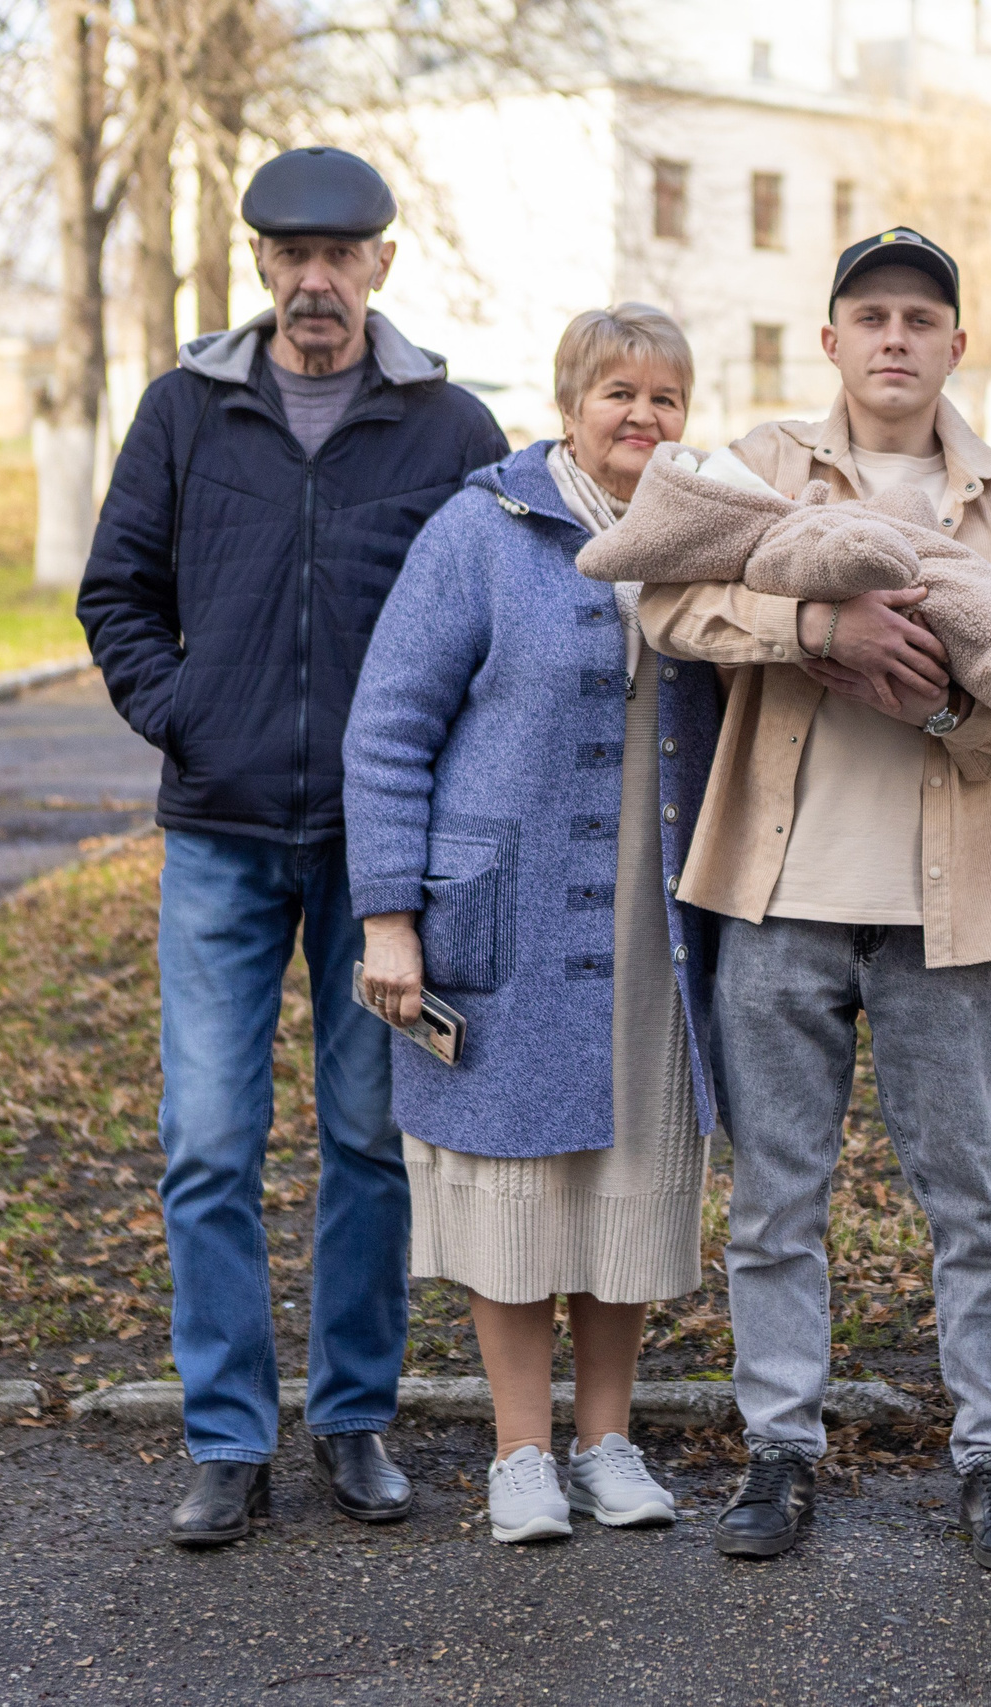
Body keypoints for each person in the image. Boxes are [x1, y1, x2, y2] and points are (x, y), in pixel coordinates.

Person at [78, 146, 508, 1548]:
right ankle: (226, 1437)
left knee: (366, 1140)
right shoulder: (185, 413)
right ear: (258, 264)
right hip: (220, 833)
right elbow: (118, 590)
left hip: (381, 853)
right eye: (290, 255)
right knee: (206, 1141)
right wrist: (186, 714)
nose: (315, 280)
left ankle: (357, 1420)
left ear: (384, 262)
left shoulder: (450, 430)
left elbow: (496, 620)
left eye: (342, 255)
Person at [639, 228, 991, 1570]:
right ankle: (779, 1445)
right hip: (777, 897)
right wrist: (816, 633)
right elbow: (668, 603)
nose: (896, 338)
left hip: (950, 912)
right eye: (870, 315)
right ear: (830, 339)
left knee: (976, 1197)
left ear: (958, 342)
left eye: (921, 318)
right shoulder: (765, 467)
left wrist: (940, 695)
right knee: (777, 1194)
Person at [341, 305, 721, 1543]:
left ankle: (609, 1442)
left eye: (665, 398)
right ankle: (520, 1455)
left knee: (620, 1182)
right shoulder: (482, 531)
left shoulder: (702, 541)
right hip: (498, 921)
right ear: (568, 405)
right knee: (513, 1190)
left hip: (647, 932)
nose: (642, 418)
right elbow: (389, 727)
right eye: (618, 392)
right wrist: (389, 919)